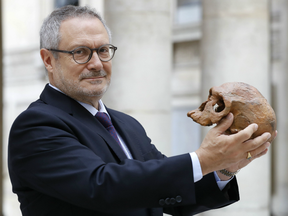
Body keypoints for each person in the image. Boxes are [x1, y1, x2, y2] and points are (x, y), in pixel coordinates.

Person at [8, 5, 274, 216]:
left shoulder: (127, 124)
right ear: (48, 60)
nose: (97, 63)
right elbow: (103, 187)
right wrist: (204, 159)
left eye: (103, 50)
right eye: (80, 52)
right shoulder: (35, 125)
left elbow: (171, 197)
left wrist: (224, 168)